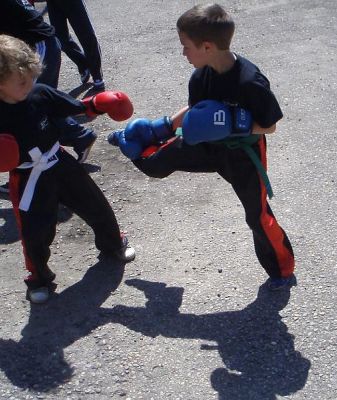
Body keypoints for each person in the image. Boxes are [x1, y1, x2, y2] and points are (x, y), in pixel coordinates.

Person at [108, 4, 295, 291]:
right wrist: (163, 127)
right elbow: (196, 110)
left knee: (256, 214)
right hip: (206, 144)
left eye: (186, 46)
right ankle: (127, 140)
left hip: (243, 155)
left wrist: (233, 124)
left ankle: (282, 270)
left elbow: (270, 126)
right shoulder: (200, 76)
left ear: (207, 46)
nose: (183, 53)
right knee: (155, 163)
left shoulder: (249, 81)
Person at [0, 34, 135, 304]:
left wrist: (100, 104)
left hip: (59, 160)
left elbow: (74, 108)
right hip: (28, 176)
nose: (30, 84)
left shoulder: (39, 92)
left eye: (32, 77)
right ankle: (38, 278)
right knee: (34, 231)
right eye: (22, 81)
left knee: (95, 204)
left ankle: (112, 244)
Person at [0, 0, 97, 193]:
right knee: (31, 104)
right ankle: (77, 137)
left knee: (28, 104)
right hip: (37, 44)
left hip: (39, 46)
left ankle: (76, 138)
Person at [45, 0, 105, 89]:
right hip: (53, 3)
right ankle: (83, 64)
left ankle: (97, 75)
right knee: (60, 40)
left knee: (86, 34)